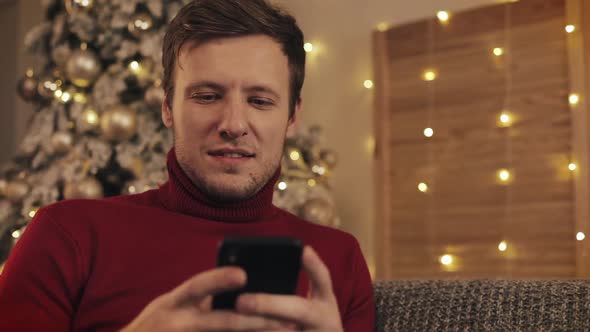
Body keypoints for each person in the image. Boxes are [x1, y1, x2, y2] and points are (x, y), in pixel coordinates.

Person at [0, 0, 375, 330]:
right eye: (207, 96)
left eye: (260, 101)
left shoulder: (337, 260)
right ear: (167, 107)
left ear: (293, 116)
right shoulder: (66, 236)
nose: (233, 124)